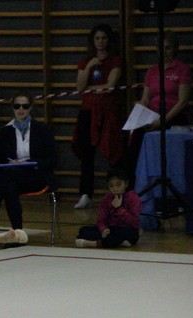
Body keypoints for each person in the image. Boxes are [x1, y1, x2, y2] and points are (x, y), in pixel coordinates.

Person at [0, 93, 55, 234]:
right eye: (17, 106)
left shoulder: (42, 130)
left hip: (36, 175)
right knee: (9, 185)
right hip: (13, 175)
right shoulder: (5, 132)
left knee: (6, 181)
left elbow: (51, 159)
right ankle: (17, 230)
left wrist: (30, 162)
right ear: (12, 108)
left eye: (25, 106)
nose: (21, 109)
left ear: (30, 108)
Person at [125, 31, 191, 188]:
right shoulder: (152, 71)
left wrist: (162, 120)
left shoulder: (182, 69)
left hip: (173, 115)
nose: (164, 52)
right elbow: (145, 99)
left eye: (168, 48)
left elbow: (182, 101)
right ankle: (131, 187)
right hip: (152, 115)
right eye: (160, 48)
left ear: (175, 49)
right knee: (132, 141)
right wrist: (138, 113)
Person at [72, 24, 124, 209]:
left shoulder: (115, 60)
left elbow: (109, 86)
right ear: (92, 41)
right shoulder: (86, 61)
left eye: (104, 38)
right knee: (87, 154)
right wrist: (89, 68)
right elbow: (79, 88)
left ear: (108, 40)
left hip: (108, 111)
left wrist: (91, 88)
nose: (100, 42)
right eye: (97, 38)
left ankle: (117, 193)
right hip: (88, 111)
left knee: (113, 151)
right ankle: (86, 194)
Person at [75, 174, 140, 248]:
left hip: (127, 229)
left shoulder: (133, 198)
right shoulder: (107, 198)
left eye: (118, 185)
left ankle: (93, 243)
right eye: (111, 186)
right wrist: (103, 229)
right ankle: (119, 242)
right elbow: (101, 219)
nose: (115, 188)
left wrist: (119, 209)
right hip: (111, 229)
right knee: (83, 230)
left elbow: (134, 222)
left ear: (126, 184)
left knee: (126, 234)